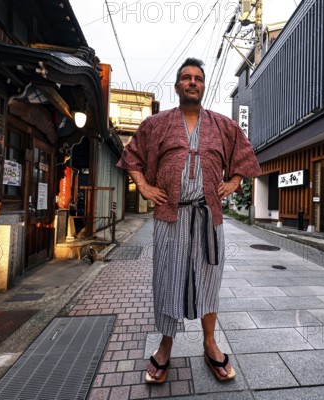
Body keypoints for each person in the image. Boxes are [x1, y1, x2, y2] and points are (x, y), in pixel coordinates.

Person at [117, 58, 260, 384]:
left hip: (208, 216)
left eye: (197, 78)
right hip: (170, 216)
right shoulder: (157, 124)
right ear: (178, 85)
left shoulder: (223, 125)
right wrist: (143, 185)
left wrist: (234, 180)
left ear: (203, 86)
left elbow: (245, 154)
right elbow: (133, 155)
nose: (192, 82)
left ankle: (210, 344)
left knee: (209, 280)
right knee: (168, 279)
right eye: (186, 78)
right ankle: (165, 346)